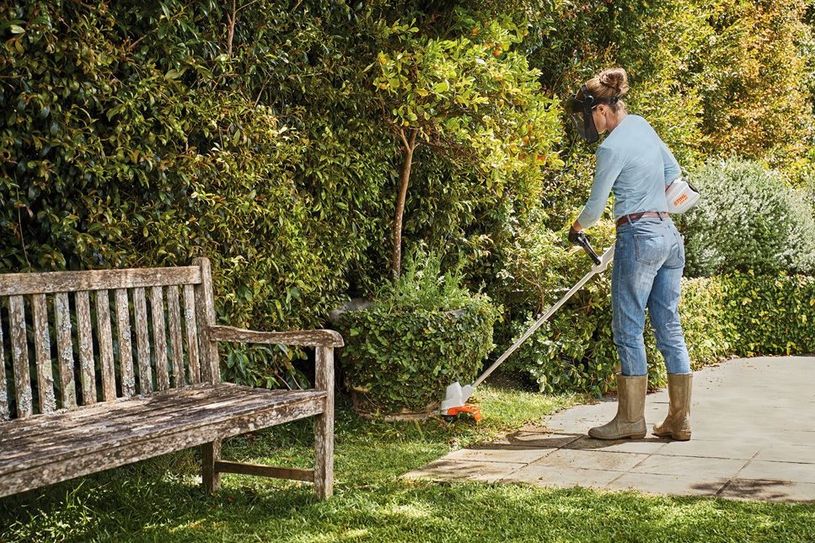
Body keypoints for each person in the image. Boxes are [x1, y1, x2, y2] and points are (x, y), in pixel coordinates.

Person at [566, 67, 692, 441]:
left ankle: (630, 420)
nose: (590, 125)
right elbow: (674, 171)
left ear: (601, 110)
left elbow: (595, 205)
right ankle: (679, 421)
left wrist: (577, 228)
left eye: (589, 116)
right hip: (669, 234)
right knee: (668, 324)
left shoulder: (611, 147)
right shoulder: (642, 125)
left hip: (638, 236)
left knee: (628, 327)